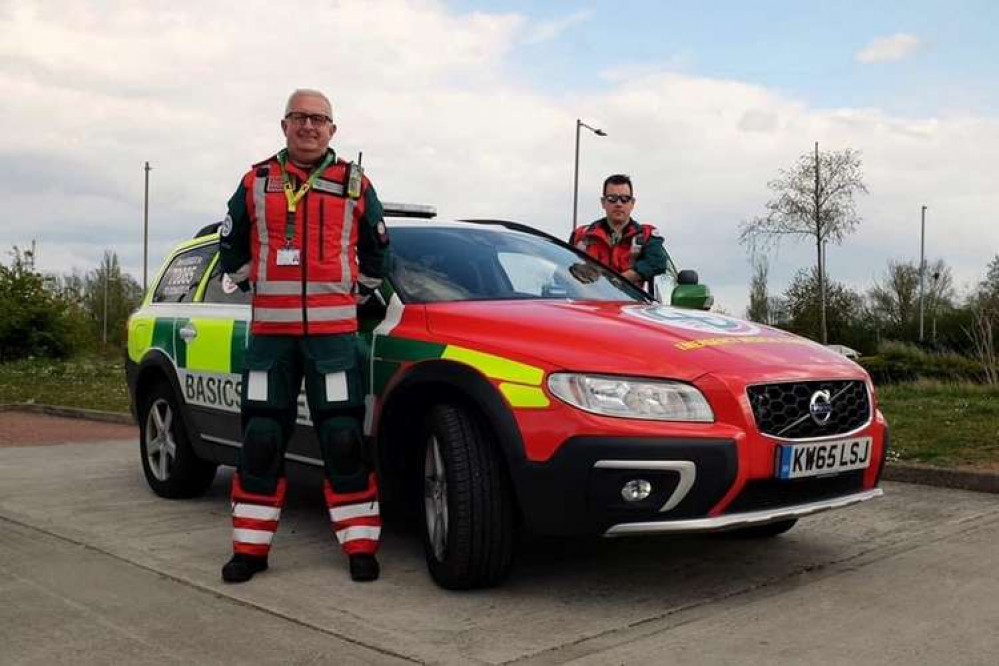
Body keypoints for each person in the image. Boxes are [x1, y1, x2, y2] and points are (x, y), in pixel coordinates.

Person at [218, 88, 390, 584]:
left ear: (332, 130)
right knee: (261, 437)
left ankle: (360, 546)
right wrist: (255, 278)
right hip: (271, 337)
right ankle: (248, 551)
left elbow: (378, 252)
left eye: (319, 119)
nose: (309, 127)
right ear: (285, 125)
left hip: (334, 338)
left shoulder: (354, 184)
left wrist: (351, 295)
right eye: (300, 118)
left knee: (342, 437)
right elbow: (231, 244)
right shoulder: (256, 181)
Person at [570, 174, 669, 289]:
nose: (618, 204)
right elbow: (563, 271)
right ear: (603, 202)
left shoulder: (646, 235)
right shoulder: (581, 236)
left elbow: (658, 263)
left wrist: (617, 281)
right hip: (587, 303)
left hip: (629, 303)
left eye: (625, 199)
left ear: (632, 203)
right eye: (612, 198)